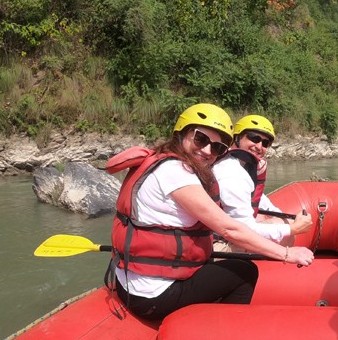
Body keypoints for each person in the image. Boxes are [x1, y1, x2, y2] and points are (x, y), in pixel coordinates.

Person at [106, 104, 315, 321]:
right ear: (181, 133)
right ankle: (219, 331)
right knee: (245, 272)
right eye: (200, 139)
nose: (207, 151)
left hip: (132, 282)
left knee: (227, 265)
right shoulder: (175, 172)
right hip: (152, 296)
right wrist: (288, 254)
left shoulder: (165, 162)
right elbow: (229, 229)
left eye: (216, 148)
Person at [212, 114, 312, 252]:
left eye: (265, 143)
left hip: (226, 232)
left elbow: (259, 199)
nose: (259, 146)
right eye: (254, 138)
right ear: (237, 137)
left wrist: (283, 216)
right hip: (217, 245)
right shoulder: (231, 173)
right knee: (286, 234)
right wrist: (293, 228)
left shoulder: (240, 165)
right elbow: (243, 230)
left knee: (277, 221)